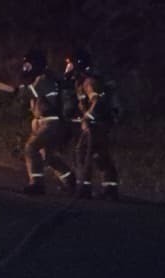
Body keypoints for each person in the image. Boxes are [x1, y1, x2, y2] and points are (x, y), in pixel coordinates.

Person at [14, 49, 74, 195]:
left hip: (50, 122)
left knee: (31, 148)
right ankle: (69, 180)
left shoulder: (43, 79)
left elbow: (29, 93)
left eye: (28, 65)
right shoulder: (48, 78)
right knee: (48, 156)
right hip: (50, 122)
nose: (25, 68)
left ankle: (37, 184)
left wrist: (18, 90)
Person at [66, 49, 120, 200]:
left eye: (70, 65)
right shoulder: (83, 82)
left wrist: (87, 118)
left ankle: (84, 188)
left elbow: (96, 101)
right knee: (100, 154)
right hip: (101, 124)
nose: (68, 68)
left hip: (96, 125)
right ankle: (110, 189)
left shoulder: (89, 82)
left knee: (82, 152)